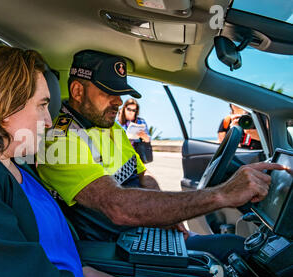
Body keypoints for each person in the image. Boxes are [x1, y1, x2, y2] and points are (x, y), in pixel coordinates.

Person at [0, 45, 257, 277]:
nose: (49, 120)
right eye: (42, 105)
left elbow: (72, 269)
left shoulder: (12, 167)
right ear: (1, 105)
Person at [36, 49, 287, 265]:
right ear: (78, 91)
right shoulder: (59, 142)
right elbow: (117, 206)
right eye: (108, 92)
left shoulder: (111, 127)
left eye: (120, 93)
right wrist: (222, 194)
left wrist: (163, 214)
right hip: (117, 254)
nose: (118, 102)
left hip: (144, 235)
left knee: (238, 247)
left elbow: (142, 177)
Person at [117, 98, 152, 163]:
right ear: (124, 108)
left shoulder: (141, 122)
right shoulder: (118, 123)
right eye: (128, 109)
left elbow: (148, 139)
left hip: (137, 155)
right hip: (122, 156)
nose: (131, 112)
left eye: (133, 110)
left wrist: (145, 137)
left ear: (136, 111)